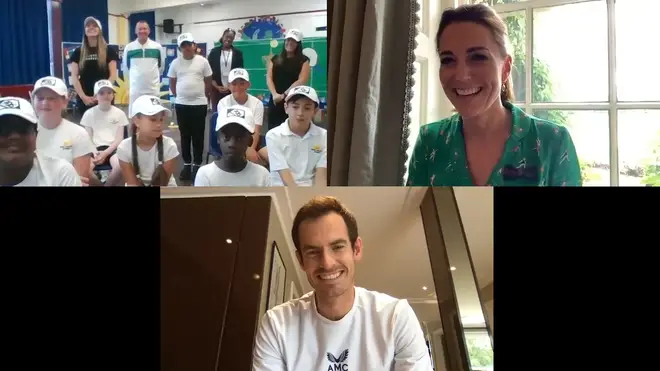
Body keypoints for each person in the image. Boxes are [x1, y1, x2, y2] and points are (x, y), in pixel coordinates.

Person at [406, 3, 581, 186]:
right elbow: (414, 215)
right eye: (448, 60)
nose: (462, 75)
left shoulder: (552, 142)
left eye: (478, 57)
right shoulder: (429, 141)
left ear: (505, 68)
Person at [252, 196, 432, 370]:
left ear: (356, 249)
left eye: (337, 247)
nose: (327, 263)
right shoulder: (276, 324)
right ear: (301, 260)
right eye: (313, 252)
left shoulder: (396, 317)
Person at [0, 97, 81, 186]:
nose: (14, 136)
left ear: (36, 135)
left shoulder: (60, 174)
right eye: (3, 129)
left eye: (22, 128)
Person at [167, 32, 213, 182]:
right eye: (183, 46)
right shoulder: (175, 63)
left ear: (194, 45)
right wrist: (179, 96)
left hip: (199, 104)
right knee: (185, 136)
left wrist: (202, 96)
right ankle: (187, 165)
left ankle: (197, 165)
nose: (186, 48)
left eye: (189, 44)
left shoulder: (203, 61)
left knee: (198, 136)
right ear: (180, 48)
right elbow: (172, 83)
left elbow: (208, 81)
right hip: (182, 105)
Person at [32, 76, 97, 181]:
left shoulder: (79, 134)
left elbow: (78, 181)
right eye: (40, 98)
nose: (45, 103)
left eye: (51, 98)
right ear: (32, 100)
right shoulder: (23, 134)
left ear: (65, 102)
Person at [194, 105, 271, 187]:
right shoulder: (205, 175)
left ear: (250, 141)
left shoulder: (262, 176)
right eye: (226, 137)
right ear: (218, 139)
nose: (231, 144)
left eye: (239, 138)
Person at [266, 85, 327, 186]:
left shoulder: (324, 136)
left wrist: (318, 198)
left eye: (307, 108)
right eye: (295, 107)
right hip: (283, 190)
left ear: (315, 111)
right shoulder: (274, 136)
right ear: (286, 108)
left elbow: (321, 176)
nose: (300, 113)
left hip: (311, 192)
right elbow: (286, 179)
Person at [117, 95, 179, 187]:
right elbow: (132, 183)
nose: (159, 125)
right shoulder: (124, 148)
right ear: (136, 121)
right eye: (153, 119)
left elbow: (162, 185)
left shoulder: (169, 146)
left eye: (161, 119)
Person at [80, 80, 129, 186]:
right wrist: (95, 153)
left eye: (109, 92)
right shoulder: (89, 114)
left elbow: (119, 139)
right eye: (101, 93)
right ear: (95, 96)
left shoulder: (120, 114)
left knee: (121, 167)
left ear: (113, 95)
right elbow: (87, 138)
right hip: (94, 150)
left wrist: (106, 153)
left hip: (114, 149)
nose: (106, 95)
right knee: (83, 169)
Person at [69, 16, 119, 120]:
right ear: (84, 30)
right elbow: (74, 76)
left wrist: (101, 94)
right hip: (85, 99)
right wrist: (83, 97)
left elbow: (113, 75)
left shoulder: (108, 50)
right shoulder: (78, 52)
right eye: (88, 26)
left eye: (94, 26)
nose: (91, 28)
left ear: (99, 30)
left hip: (105, 97)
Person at [266, 29, 311, 136]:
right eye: (288, 40)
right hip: (275, 100)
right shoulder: (275, 59)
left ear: (298, 44)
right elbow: (269, 77)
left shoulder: (303, 60)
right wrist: (274, 94)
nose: (289, 43)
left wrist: (284, 95)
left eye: (293, 41)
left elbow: (302, 80)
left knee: (291, 131)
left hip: (293, 101)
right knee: (273, 131)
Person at [217, 68, 266, 164]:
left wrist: (250, 149)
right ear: (229, 86)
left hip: (251, 141)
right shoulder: (223, 103)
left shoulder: (257, 104)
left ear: (248, 85)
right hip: (230, 141)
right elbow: (224, 130)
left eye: (242, 84)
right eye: (234, 84)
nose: (238, 87)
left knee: (267, 157)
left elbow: (256, 130)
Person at [121, 20, 164, 119]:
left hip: (153, 90)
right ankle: (134, 135)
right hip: (136, 91)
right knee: (134, 117)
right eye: (139, 29)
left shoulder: (157, 47)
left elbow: (161, 68)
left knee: (154, 116)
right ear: (136, 31)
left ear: (149, 31)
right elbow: (126, 69)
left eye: (144, 28)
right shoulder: (129, 48)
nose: (142, 31)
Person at [208, 28, 245, 112]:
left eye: (231, 38)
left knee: (231, 113)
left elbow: (240, 72)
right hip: (216, 89)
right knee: (217, 113)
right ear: (223, 37)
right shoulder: (214, 52)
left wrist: (230, 86)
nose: (228, 39)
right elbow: (209, 72)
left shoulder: (238, 53)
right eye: (227, 37)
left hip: (233, 90)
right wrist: (217, 87)